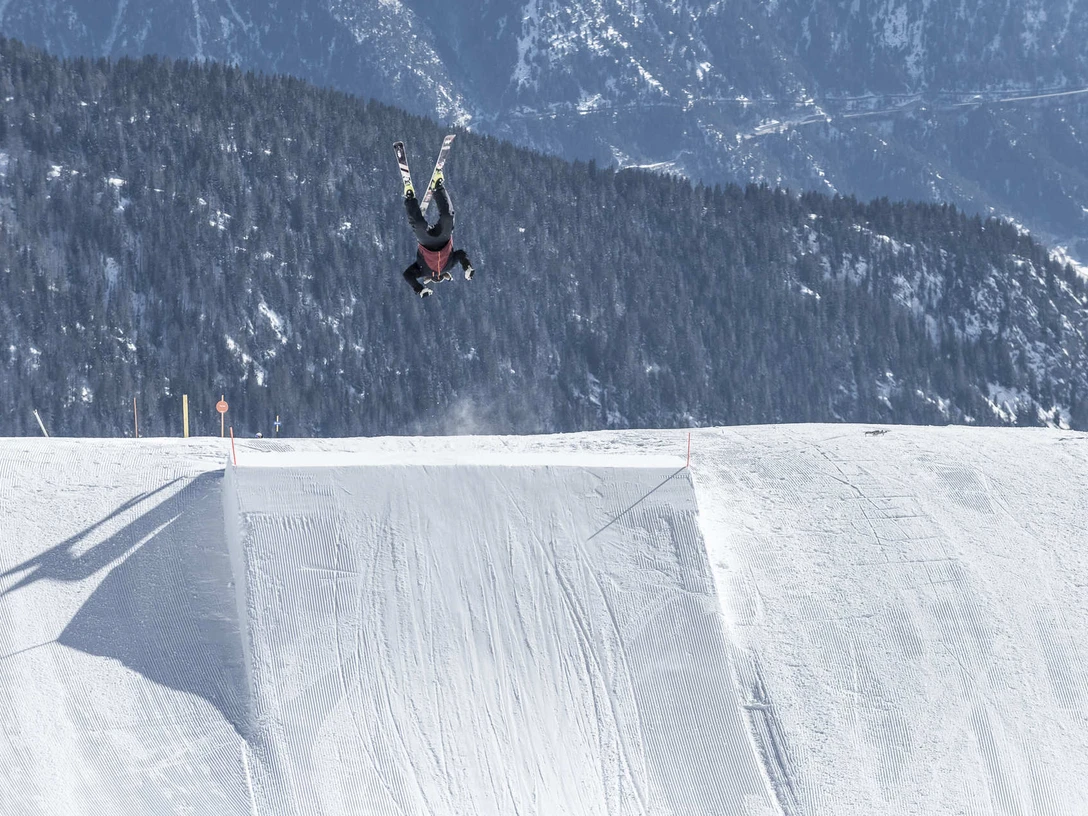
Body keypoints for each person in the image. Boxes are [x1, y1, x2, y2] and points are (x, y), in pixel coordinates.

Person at [401, 171, 475, 298]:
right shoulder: (448, 266)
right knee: (446, 217)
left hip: (427, 244)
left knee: (423, 223)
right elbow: (461, 254)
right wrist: (467, 267)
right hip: (443, 239)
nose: (438, 276)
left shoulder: (424, 271)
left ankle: (410, 198)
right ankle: (437, 187)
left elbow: (408, 275)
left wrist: (420, 289)